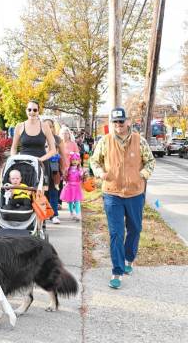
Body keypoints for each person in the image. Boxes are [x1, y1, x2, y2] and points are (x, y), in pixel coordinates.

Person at [90, 107, 155, 290]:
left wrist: (142, 174)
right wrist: (100, 172)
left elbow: (150, 161)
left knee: (135, 228)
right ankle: (117, 271)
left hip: (135, 193)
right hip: (112, 193)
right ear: (112, 123)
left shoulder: (139, 140)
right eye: (115, 122)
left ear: (128, 122)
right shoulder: (105, 141)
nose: (118, 125)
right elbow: (94, 161)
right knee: (116, 233)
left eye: (121, 121)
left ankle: (129, 258)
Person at [10, 100, 56, 190]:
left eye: (35, 110)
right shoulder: (19, 126)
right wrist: (14, 160)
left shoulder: (45, 126)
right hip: (24, 166)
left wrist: (40, 160)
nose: (32, 112)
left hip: (41, 165)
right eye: (29, 109)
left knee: (40, 198)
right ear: (26, 111)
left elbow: (53, 150)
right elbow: (13, 148)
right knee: (24, 195)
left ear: (38, 111)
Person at [45, 119, 66, 224]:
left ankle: (54, 215)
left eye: (50, 126)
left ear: (53, 127)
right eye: (46, 126)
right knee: (43, 193)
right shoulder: (39, 138)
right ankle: (43, 214)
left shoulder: (57, 139)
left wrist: (63, 169)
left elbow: (63, 155)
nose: (48, 128)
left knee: (54, 192)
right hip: (42, 168)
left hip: (54, 169)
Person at [60, 152, 84, 222]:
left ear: (79, 161)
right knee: (70, 201)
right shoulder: (68, 170)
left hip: (76, 187)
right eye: (73, 160)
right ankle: (71, 213)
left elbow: (81, 178)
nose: (75, 161)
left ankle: (77, 214)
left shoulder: (79, 170)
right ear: (70, 161)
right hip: (69, 187)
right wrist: (64, 176)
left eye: (76, 160)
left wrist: (82, 175)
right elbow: (65, 178)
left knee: (77, 201)